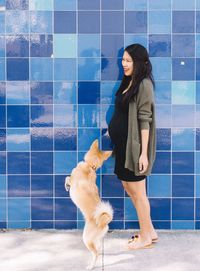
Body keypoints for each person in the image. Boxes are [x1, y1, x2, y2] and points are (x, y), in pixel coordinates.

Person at [108, 43, 158, 250]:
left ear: (140, 62)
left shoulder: (144, 84)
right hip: (122, 145)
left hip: (134, 147)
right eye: (123, 60)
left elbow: (145, 120)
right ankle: (150, 231)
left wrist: (143, 154)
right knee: (128, 186)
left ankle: (145, 237)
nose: (124, 64)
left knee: (138, 191)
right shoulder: (128, 81)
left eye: (129, 60)